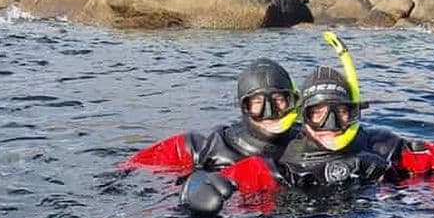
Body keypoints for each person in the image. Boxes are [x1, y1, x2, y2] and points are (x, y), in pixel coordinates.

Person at [180, 33, 434, 214]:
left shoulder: (380, 146)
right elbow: (238, 179)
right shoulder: (278, 163)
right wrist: (192, 191)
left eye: (340, 112)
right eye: (318, 114)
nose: (330, 124)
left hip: (416, 216)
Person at [120, 59, 300, 175]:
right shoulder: (206, 148)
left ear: (293, 102)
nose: (269, 112)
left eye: (279, 100)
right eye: (257, 103)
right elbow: (125, 174)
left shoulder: (308, 144)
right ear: (242, 107)